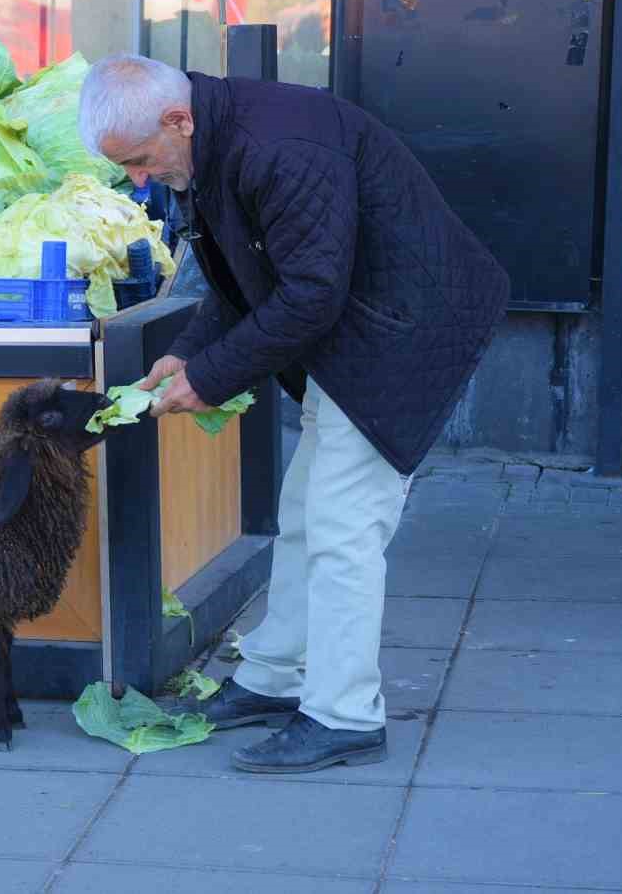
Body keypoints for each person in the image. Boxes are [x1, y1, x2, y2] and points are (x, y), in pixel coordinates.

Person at [77, 54, 509, 774]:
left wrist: (210, 377)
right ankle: (274, 678)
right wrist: (189, 353)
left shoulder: (278, 149)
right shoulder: (213, 144)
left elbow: (308, 295)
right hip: (359, 326)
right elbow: (241, 275)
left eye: (142, 161)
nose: (138, 181)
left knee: (343, 526)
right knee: (308, 511)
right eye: (125, 167)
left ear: (177, 120)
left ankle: (344, 715)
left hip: (401, 330)